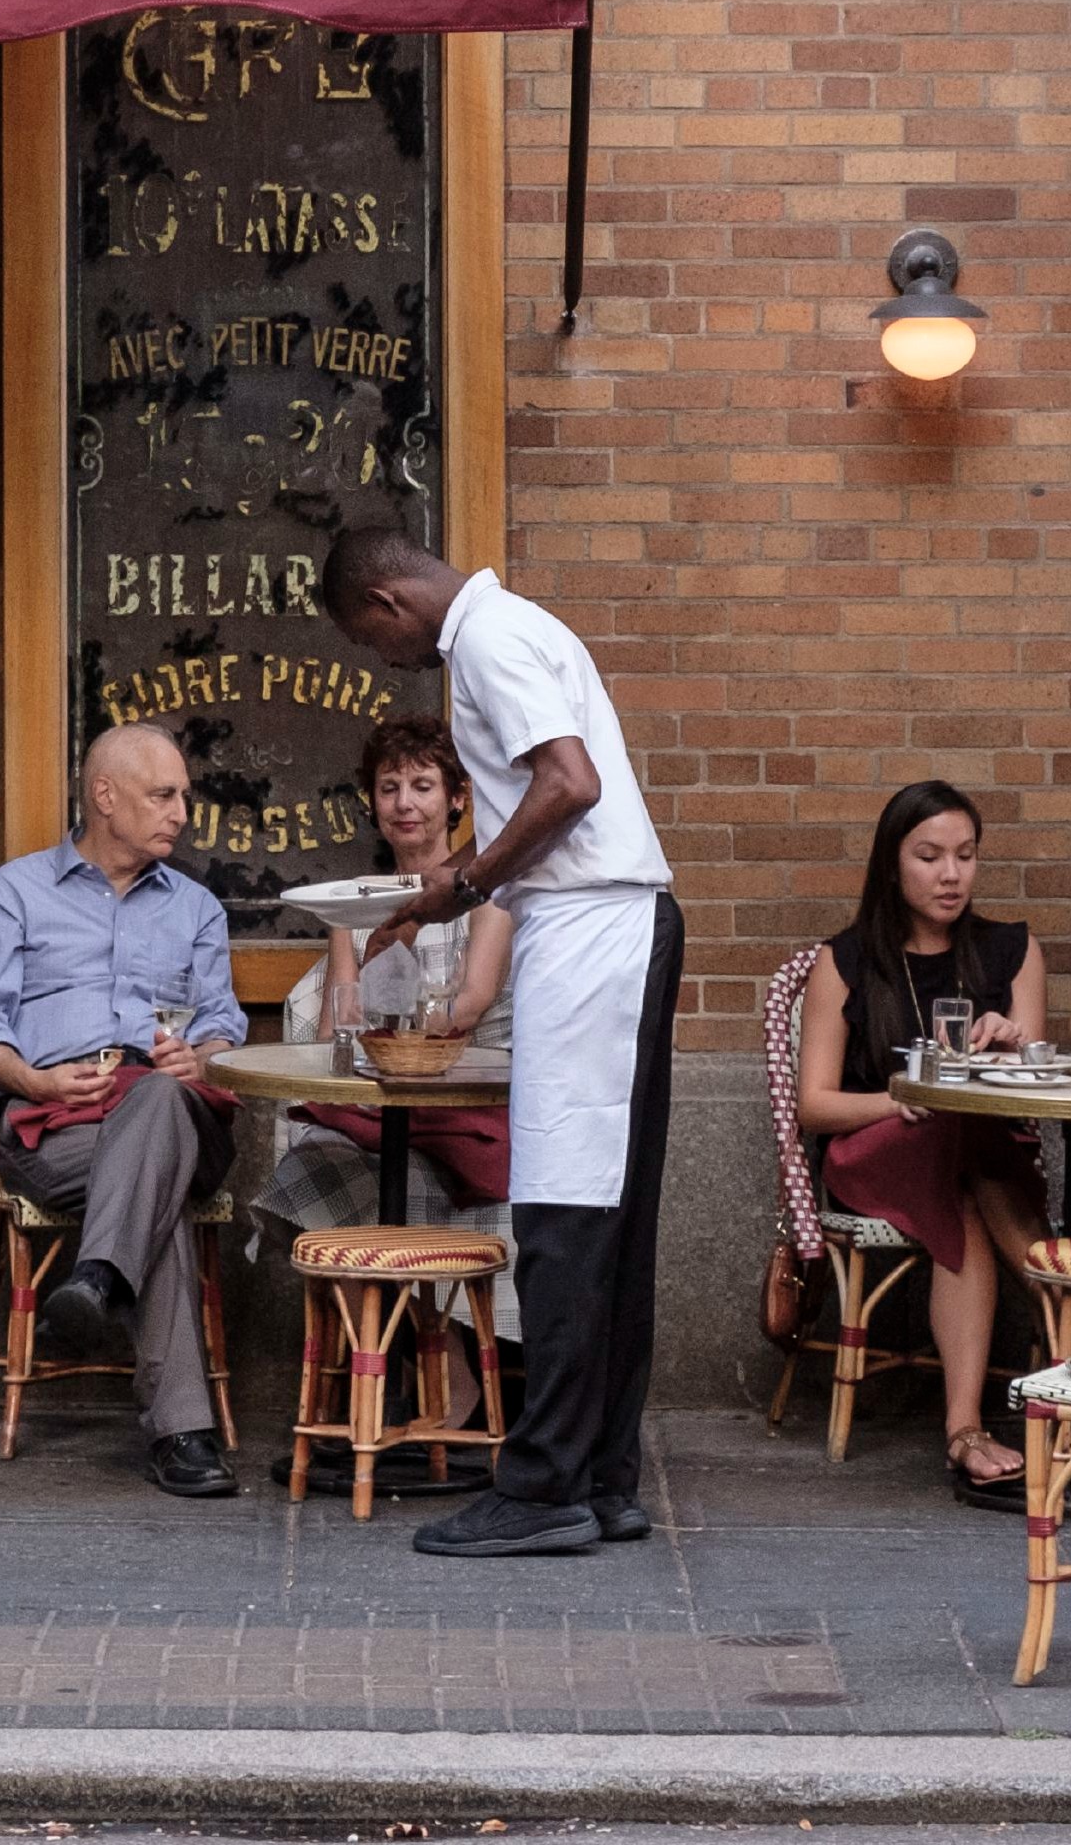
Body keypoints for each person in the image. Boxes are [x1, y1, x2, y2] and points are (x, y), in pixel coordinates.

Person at [332, 529, 680, 1560]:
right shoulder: (521, 626)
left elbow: (568, 785)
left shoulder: (483, 640)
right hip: (616, 921)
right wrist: (438, 900)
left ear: (390, 600)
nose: (388, 659)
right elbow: (554, 799)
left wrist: (469, 884)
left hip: (591, 930)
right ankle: (603, 1477)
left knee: (565, 1216)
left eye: (372, 638)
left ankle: (541, 1490)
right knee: (609, 1224)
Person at [0, 721, 249, 1500]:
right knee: (159, 1198)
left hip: (171, 1105)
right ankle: (184, 1434)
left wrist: (201, 1057)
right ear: (104, 796)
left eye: (183, 795)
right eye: (163, 794)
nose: (181, 811)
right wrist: (37, 1084)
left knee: (157, 1095)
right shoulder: (14, 892)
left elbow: (223, 1026)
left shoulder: (196, 908)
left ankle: (98, 1278)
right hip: (55, 1123)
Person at [793, 779, 1046, 1506]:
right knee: (949, 1139)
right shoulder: (842, 962)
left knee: (962, 1168)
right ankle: (1064, 1315)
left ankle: (965, 1430)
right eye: (929, 856)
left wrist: (1007, 1046)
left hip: (978, 1157)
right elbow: (814, 1105)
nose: (949, 875)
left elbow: (1034, 1080)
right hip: (875, 1152)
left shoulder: (1012, 950)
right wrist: (900, 1099)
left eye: (965, 856)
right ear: (891, 864)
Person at [254, 710, 516, 1356]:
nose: (405, 803)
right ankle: (373, 1370)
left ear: (456, 798)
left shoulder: (487, 895)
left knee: (415, 1184)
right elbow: (336, 1023)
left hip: (461, 1113)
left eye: (422, 785)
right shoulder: (354, 900)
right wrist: (369, 1033)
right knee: (316, 1164)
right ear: (370, 800)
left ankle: (437, 1376)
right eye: (389, 786)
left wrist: (405, 1029)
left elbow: (467, 1006)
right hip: (375, 1113)